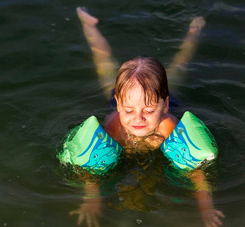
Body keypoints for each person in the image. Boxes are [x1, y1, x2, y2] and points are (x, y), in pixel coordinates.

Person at [69, 7, 225, 227]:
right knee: (103, 63)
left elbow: (197, 174)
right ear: (121, 106)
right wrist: (91, 199)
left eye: (149, 111)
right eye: (130, 112)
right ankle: (89, 26)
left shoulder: (168, 125)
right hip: (123, 100)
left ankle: (194, 30)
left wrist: (206, 207)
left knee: (179, 65)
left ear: (165, 105)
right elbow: (93, 168)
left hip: (150, 97)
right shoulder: (116, 124)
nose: (138, 119)